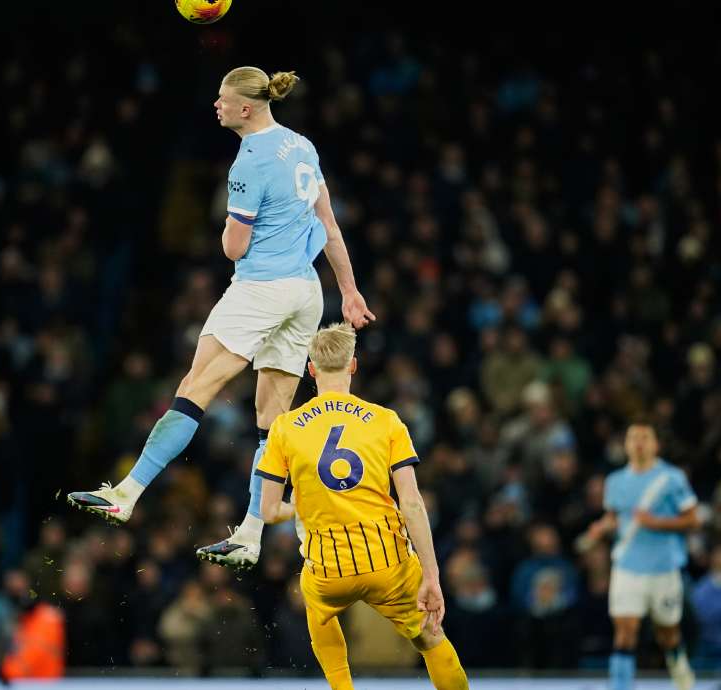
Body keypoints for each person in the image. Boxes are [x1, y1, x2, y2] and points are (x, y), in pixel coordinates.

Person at [67, 66, 374, 571]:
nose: (216, 105)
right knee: (270, 422)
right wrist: (350, 291)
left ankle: (127, 491)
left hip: (259, 290)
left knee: (195, 387)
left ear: (245, 109)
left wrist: (229, 234)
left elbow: (234, 247)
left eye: (222, 99)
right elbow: (329, 224)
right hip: (306, 292)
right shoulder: (302, 146)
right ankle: (251, 534)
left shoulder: (248, 161)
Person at [255, 323, 467, 689]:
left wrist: (300, 506)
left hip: (329, 568)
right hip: (387, 561)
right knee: (431, 638)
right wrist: (431, 576)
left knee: (317, 609)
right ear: (353, 365)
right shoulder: (387, 421)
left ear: (311, 370)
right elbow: (412, 505)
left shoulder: (284, 428)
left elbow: (269, 511)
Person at [579, 418, 699, 690]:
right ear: (626, 444)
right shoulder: (615, 481)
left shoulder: (671, 478)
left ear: (656, 444)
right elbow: (615, 518)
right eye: (634, 438)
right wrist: (601, 529)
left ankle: (682, 678)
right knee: (625, 629)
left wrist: (656, 523)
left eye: (645, 437)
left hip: (663, 567)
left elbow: (693, 520)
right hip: (627, 566)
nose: (639, 443)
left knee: (667, 634)